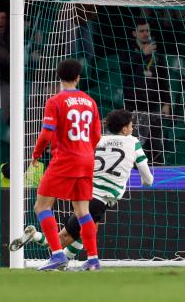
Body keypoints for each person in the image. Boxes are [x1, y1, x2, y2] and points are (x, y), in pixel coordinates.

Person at [10, 109, 154, 260]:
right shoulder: (132, 141)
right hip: (99, 198)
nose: (132, 129)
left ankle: (65, 260)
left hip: (85, 192)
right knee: (61, 239)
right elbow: (148, 177)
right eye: (131, 126)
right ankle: (37, 236)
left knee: (88, 230)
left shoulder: (99, 140)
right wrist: (145, 182)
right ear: (124, 129)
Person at [30, 59, 102, 271]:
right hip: (87, 159)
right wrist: (85, 151)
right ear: (78, 77)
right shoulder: (90, 101)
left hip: (65, 159)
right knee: (82, 210)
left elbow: (46, 132)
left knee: (42, 206)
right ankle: (93, 259)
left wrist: (36, 153)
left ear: (59, 77)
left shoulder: (55, 101)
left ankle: (58, 254)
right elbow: (96, 135)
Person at [120, 19, 171, 163]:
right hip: (133, 104)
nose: (145, 34)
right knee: (132, 143)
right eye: (141, 31)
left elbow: (163, 80)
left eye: (147, 31)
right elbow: (124, 68)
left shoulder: (157, 55)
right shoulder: (127, 51)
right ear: (134, 33)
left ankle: (159, 177)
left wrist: (166, 102)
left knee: (155, 143)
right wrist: (142, 54)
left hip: (152, 103)